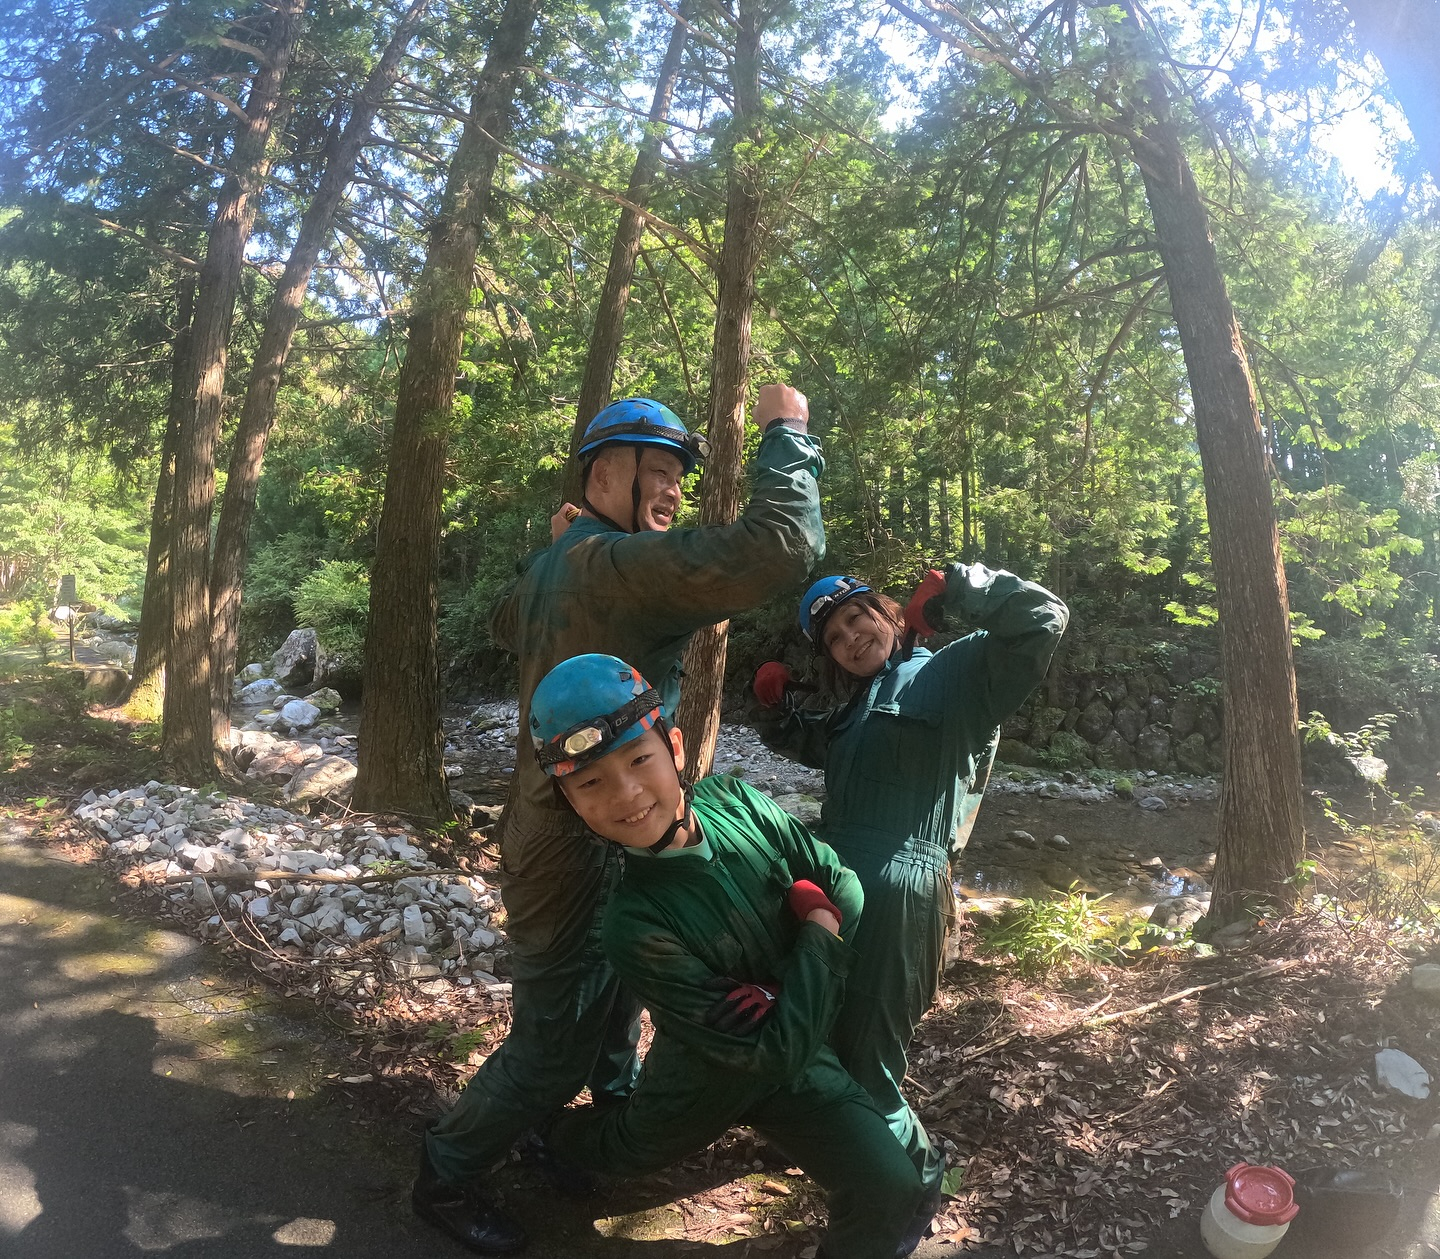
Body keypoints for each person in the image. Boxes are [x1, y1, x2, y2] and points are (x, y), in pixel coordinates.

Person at [413, 389, 825, 1253]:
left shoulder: (569, 561)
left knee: (615, 991)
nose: (674, 493)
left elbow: (501, 618)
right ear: (607, 473)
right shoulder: (623, 566)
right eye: (661, 473)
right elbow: (782, 544)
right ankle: (447, 1175)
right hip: (576, 841)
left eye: (679, 476)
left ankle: (585, 1138)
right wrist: (787, 436)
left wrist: (557, 547)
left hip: (577, 825)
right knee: (553, 1039)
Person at [531, 653, 924, 1259]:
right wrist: (816, 925)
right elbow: (770, 1047)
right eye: (590, 782)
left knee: (889, 1186)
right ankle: (550, 1136)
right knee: (630, 1147)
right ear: (571, 801)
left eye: (640, 760)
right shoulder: (634, 924)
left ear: (676, 747)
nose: (627, 794)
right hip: (706, 1075)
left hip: (796, 1057)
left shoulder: (738, 802)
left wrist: (788, 975)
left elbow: (844, 882)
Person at [751, 563, 1069, 1232]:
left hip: (903, 894)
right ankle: (845, 1144)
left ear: (893, 615)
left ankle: (916, 1182)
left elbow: (1043, 619)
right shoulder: (850, 712)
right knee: (813, 1030)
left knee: (869, 1061)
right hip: (832, 889)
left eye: (858, 616)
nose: (850, 636)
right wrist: (774, 707)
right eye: (834, 636)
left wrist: (962, 589)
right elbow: (800, 739)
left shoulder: (958, 671)